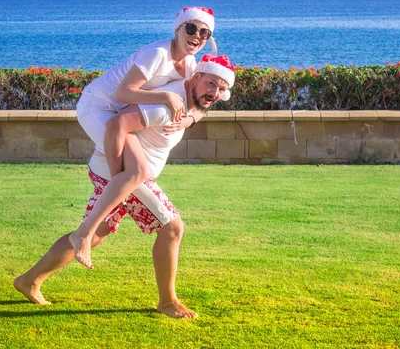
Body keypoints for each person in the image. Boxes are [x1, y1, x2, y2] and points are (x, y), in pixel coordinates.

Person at [14, 55, 236, 319]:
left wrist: (190, 119)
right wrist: (120, 173)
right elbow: (117, 124)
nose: (215, 93)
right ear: (196, 78)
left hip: (113, 171)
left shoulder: (188, 97)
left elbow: (198, 106)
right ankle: (167, 302)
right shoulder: (166, 107)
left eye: (221, 89)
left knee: (97, 233)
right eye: (211, 84)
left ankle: (29, 280)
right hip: (125, 174)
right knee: (172, 227)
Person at [70, 7, 219, 269]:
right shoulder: (158, 53)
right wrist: (165, 97)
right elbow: (124, 92)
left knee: (134, 176)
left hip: (122, 116)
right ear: (178, 29)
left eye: (204, 32)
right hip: (99, 107)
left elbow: (197, 102)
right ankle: (83, 233)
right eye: (191, 28)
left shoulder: (190, 66)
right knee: (136, 172)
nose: (197, 36)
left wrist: (190, 119)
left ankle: (36, 275)